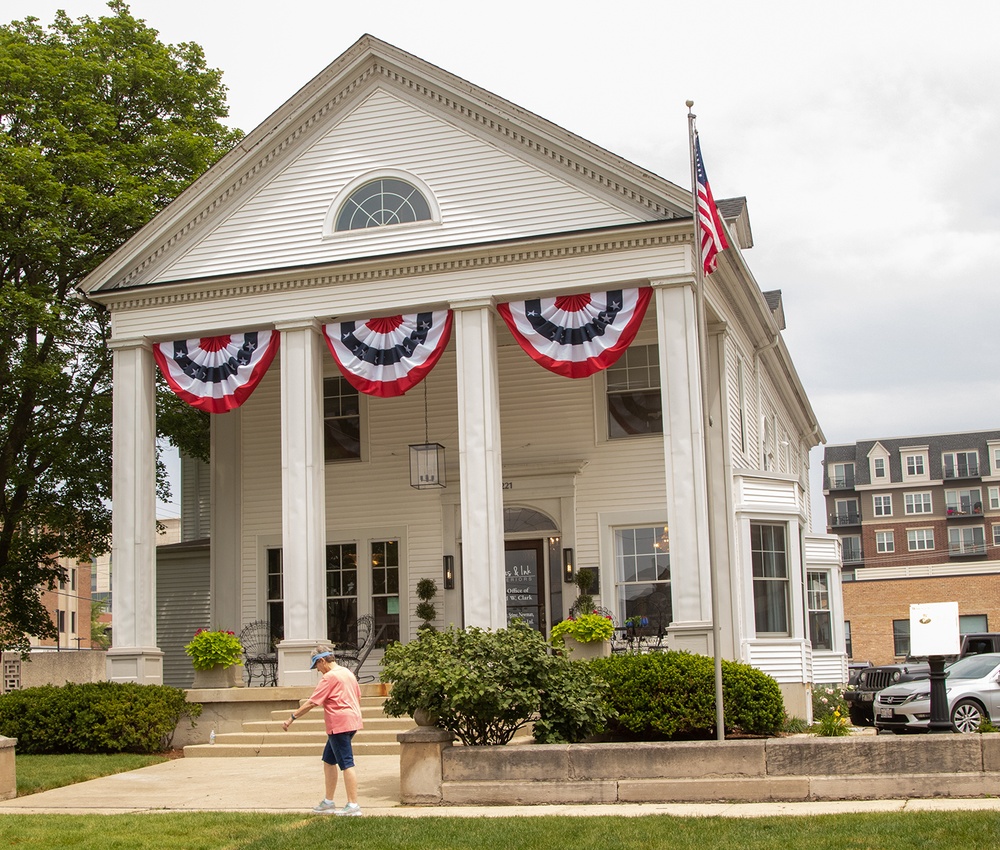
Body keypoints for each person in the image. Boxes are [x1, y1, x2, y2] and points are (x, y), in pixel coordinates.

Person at [282, 647, 364, 815]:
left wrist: (292, 717)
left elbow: (312, 702)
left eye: (316, 666)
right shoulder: (347, 673)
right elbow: (358, 696)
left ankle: (353, 805)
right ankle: (328, 801)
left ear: (322, 661)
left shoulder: (329, 677)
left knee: (346, 763)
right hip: (352, 721)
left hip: (339, 724)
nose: (318, 671)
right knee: (328, 760)